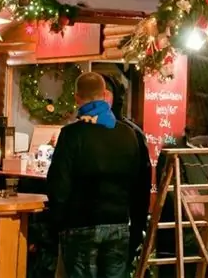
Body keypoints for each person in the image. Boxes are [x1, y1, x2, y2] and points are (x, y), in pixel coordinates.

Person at [47, 73, 144, 278]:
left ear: (76, 98)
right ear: (105, 95)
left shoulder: (72, 135)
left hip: (80, 225)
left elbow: (58, 185)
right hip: (118, 224)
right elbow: (140, 184)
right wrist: (136, 227)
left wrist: (57, 225)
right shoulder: (128, 134)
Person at [104, 76, 151, 263]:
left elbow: (142, 184)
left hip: (121, 223)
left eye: (105, 94)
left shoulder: (132, 133)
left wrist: (137, 227)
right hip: (85, 227)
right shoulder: (80, 130)